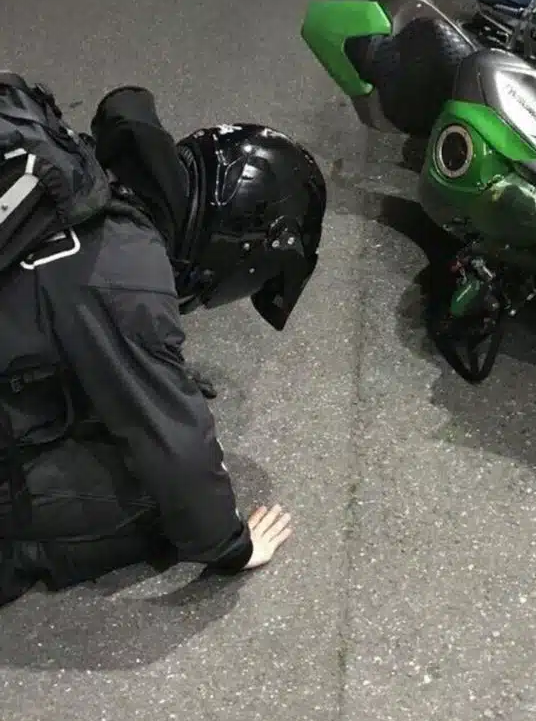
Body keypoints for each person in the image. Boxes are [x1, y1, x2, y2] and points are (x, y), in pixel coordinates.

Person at [0, 79, 327, 605]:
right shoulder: (125, 274)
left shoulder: (86, 182)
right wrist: (230, 544)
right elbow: (173, 448)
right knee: (154, 494)